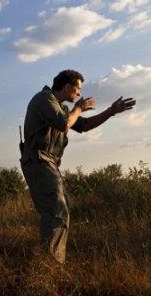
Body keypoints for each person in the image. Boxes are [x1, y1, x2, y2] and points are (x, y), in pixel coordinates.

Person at [20, 69, 135, 264]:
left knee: (60, 210)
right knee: (57, 211)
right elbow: (64, 124)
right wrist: (79, 108)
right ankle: (51, 266)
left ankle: (50, 262)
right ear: (67, 87)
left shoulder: (62, 108)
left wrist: (110, 111)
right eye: (78, 89)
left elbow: (84, 125)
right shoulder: (44, 99)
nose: (79, 94)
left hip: (48, 162)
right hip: (38, 159)